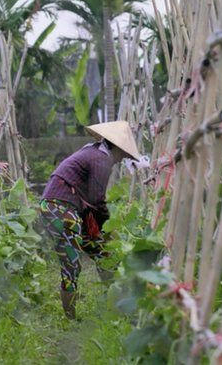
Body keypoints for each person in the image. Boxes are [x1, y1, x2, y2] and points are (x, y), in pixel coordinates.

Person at [38, 121, 140, 319]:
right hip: (59, 208)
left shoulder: (95, 152)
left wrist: (102, 233)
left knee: (103, 252)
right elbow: (97, 200)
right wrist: (108, 228)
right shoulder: (101, 159)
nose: (122, 159)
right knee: (71, 261)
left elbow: (90, 200)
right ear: (117, 147)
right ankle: (70, 319)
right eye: (123, 154)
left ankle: (115, 306)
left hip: (68, 207)